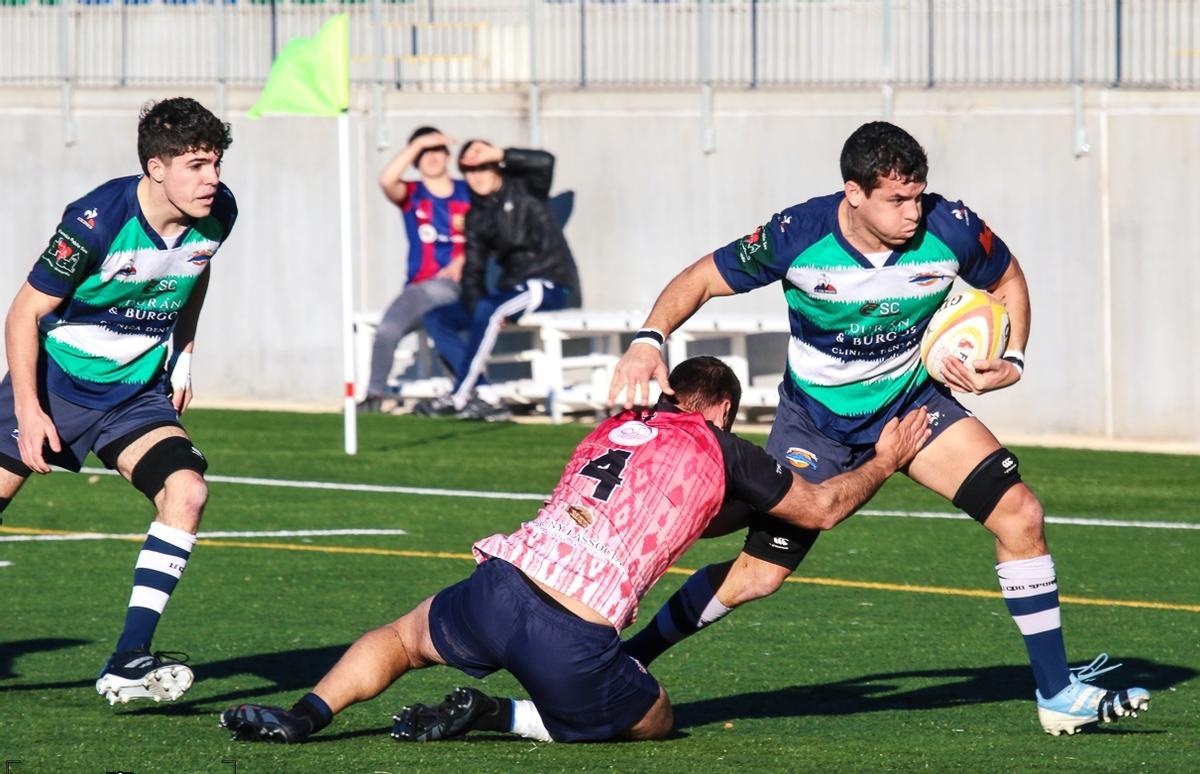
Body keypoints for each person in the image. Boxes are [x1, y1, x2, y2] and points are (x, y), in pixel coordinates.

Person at [608, 122, 1148, 737]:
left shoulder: (951, 228)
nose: (913, 212)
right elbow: (701, 278)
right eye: (897, 199)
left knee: (1020, 514)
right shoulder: (797, 234)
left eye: (918, 195)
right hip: (815, 425)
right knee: (759, 575)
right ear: (854, 193)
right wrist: (649, 340)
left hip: (911, 406)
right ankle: (628, 658)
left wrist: (1014, 358)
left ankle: (1057, 693)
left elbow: (1008, 279)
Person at [218, 356, 930, 744]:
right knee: (657, 719)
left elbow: (679, 514)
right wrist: (887, 457)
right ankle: (501, 715)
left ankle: (304, 714)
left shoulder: (612, 428)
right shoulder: (719, 445)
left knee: (402, 638)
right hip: (572, 631)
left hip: (502, 582)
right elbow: (823, 507)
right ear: (721, 411)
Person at [0, 97, 236, 705]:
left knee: (187, 492)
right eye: (197, 165)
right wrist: (28, 410)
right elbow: (23, 313)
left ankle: (129, 659)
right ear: (156, 168)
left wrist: (184, 352)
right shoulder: (95, 221)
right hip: (56, 382)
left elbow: (197, 268)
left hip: (135, 393)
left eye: (216, 163)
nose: (212, 178)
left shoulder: (218, 213)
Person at [416, 140, 579, 421]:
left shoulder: (526, 187)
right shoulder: (477, 216)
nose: (476, 175)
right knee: (438, 318)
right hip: (510, 290)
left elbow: (545, 161)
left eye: (483, 166)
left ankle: (459, 396)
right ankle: (485, 393)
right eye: (469, 170)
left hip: (547, 283)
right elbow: (473, 271)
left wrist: (500, 153)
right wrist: (476, 309)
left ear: (496, 166)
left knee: (489, 309)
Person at [362, 126, 471, 413]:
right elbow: (386, 180)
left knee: (444, 321)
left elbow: (493, 233)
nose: (431, 157)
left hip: (465, 286)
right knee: (387, 331)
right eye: (424, 152)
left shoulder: (467, 191)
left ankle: (470, 391)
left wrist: (463, 259)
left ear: (447, 155)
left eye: (437, 150)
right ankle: (374, 396)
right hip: (421, 287)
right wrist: (419, 143)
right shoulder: (414, 194)